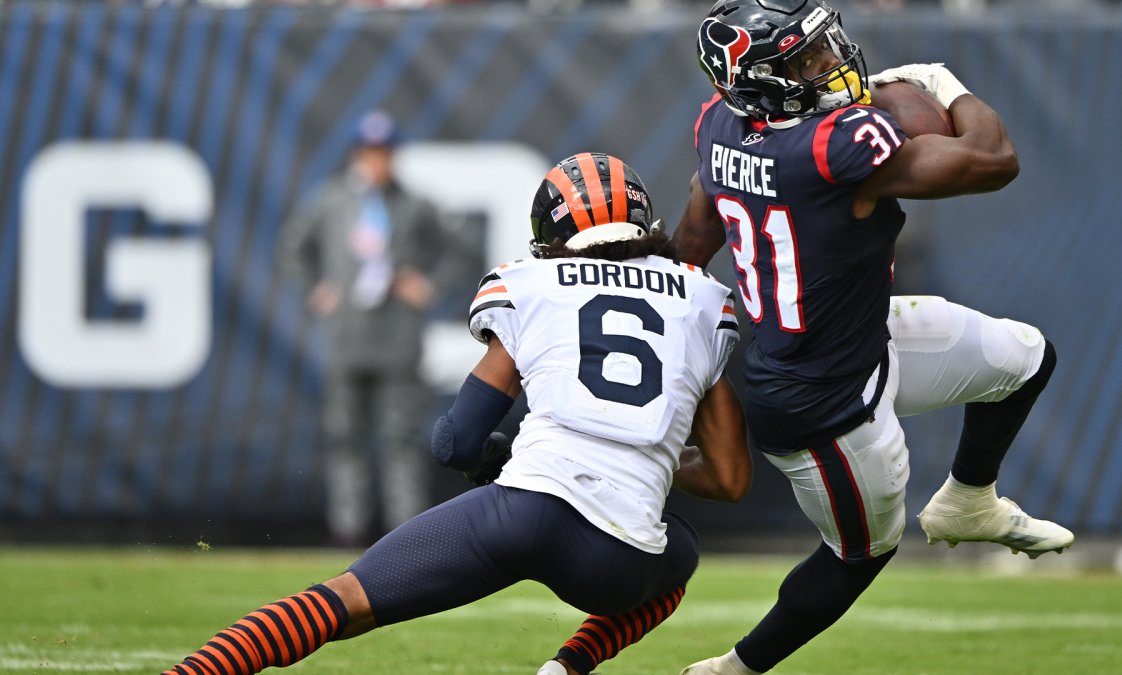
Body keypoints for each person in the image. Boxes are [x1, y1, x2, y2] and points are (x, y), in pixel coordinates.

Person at [165, 152, 752, 675]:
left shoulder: (534, 283)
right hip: (617, 556)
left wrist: (496, 456)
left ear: (551, 233)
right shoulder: (701, 302)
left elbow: (456, 442)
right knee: (679, 552)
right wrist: (642, 458)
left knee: (344, 602)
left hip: (521, 509)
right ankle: (569, 667)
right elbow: (729, 478)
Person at [675, 1, 1074, 673]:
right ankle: (733, 669)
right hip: (823, 400)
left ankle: (969, 500)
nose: (830, 61)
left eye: (825, 44)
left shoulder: (719, 125)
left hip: (862, 335)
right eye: (805, 59)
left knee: (1027, 356)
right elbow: (994, 158)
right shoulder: (834, 146)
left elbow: (693, 240)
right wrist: (945, 84)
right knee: (858, 556)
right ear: (760, 82)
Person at [278, 109, 451, 547]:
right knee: (344, 438)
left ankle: (404, 533)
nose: (378, 162)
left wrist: (429, 284)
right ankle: (348, 530)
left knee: (401, 439)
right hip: (347, 339)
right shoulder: (333, 201)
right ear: (358, 155)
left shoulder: (414, 204)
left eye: (385, 153)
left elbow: (458, 247)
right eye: (371, 153)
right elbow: (293, 247)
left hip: (397, 341)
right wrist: (315, 288)